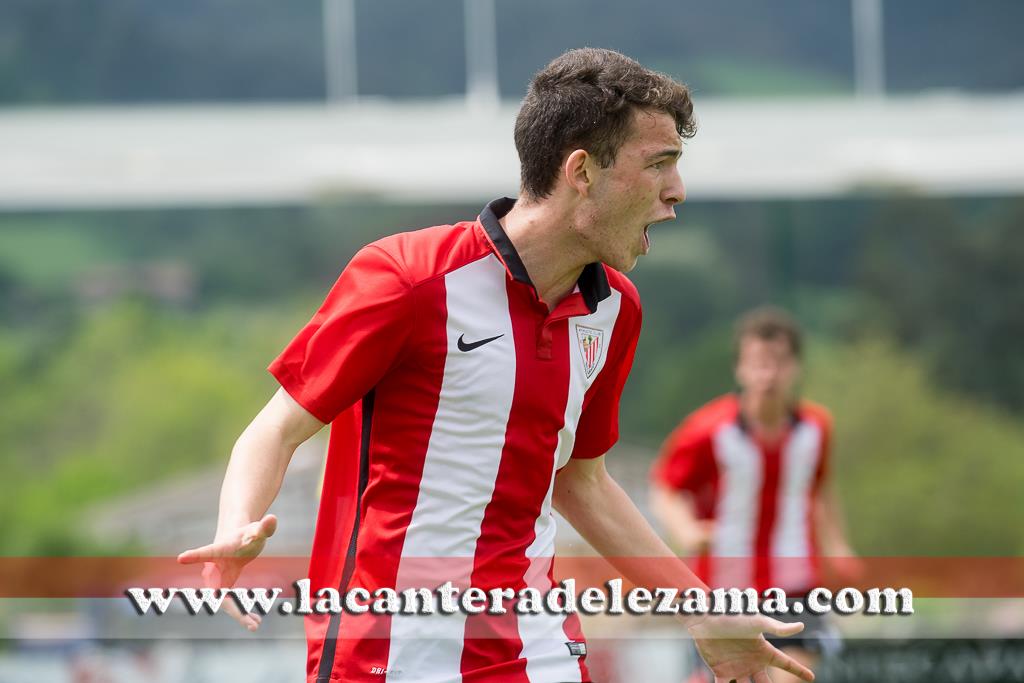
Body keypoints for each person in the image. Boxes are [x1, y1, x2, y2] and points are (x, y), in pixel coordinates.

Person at [179, 49, 815, 683]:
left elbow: (580, 480)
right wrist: (236, 529)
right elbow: (276, 428)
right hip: (390, 654)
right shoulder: (407, 279)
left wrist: (698, 610)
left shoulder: (615, 310)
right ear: (582, 172)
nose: (677, 192)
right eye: (659, 165)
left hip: (536, 648)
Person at [650, 307, 858, 683]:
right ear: (740, 369)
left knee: (795, 675)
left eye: (778, 362)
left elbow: (820, 488)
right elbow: (667, 488)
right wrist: (686, 531)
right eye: (758, 363)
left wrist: (839, 546)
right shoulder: (707, 430)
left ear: (795, 367)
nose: (768, 373)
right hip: (725, 590)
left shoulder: (817, 428)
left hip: (796, 585)